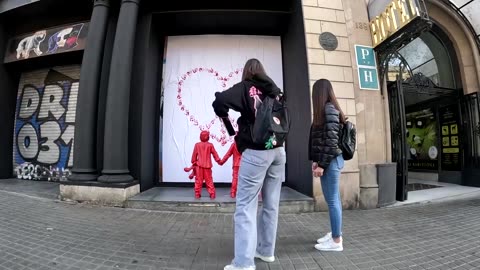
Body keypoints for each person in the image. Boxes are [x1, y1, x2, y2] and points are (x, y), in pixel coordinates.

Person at [212, 59, 286, 270]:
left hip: (256, 152)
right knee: (271, 204)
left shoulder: (246, 87)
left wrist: (224, 115)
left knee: (245, 206)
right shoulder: (275, 90)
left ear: (247, 72)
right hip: (278, 151)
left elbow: (220, 101)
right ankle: (266, 251)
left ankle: (243, 263)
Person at [309, 79, 346, 252]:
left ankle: (336, 240)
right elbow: (320, 140)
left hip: (330, 161)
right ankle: (335, 233)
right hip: (328, 160)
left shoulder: (329, 109)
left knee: (332, 201)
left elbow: (330, 142)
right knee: (334, 199)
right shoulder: (326, 110)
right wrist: (316, 160)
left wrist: (322, 165)